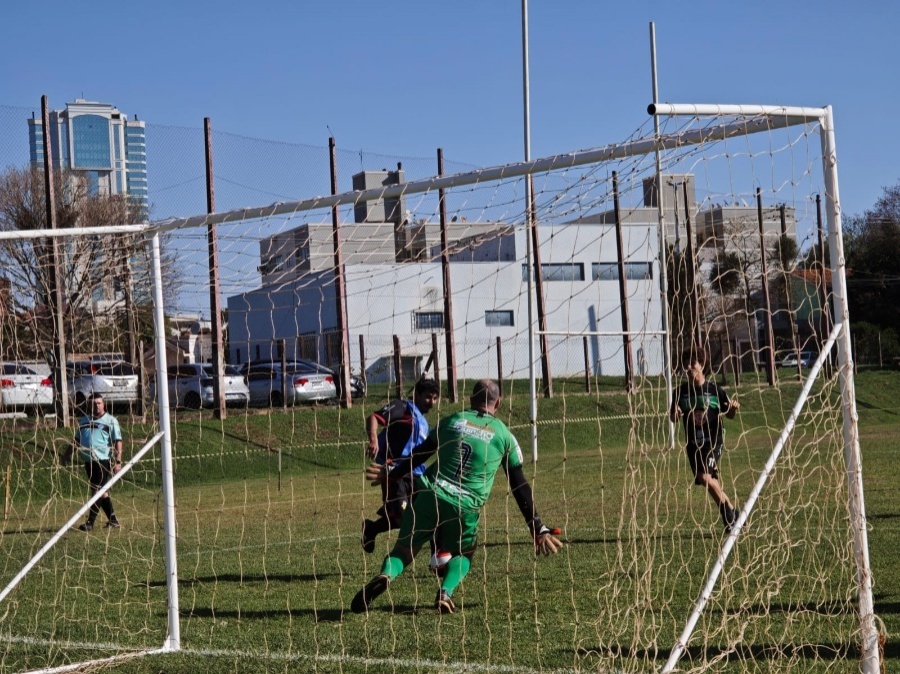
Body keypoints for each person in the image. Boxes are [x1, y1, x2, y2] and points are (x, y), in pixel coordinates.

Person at [351, 379, 563, 614]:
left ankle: (386, 574)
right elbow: (519, 484)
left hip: (430, 494)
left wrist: (392, 472)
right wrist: (537, 527)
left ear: (471, 400)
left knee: (403, 551)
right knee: (463, 553)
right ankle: (445, 592)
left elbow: (420, 454)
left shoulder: (453, 420)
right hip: (465, 505)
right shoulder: (504, 435)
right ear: (499, 403)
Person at [361, 378, 441, 553]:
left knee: (428, 514)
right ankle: (373, 528)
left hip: (417, 475)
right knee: (402, 519)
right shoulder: (404, 408)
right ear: (417, 394)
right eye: (428, 397)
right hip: (395, 472)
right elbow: (374, 417)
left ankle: (438, 555)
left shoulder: (425, 424)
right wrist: (373, 440)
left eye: (435, 398)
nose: (432, 403)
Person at [669, 345, 741, 533]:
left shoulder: (714, 390)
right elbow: (672, 417)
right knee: (707, 482)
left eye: (693, 362)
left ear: (702, 364)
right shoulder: (679, 392)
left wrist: (732, 409)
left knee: (704, 477)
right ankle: (734, 513)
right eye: (686, 363)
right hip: (693, 445)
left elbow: (729, 414)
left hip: (713, 440)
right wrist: (675, 414)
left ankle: (730, 519)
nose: (689, 367)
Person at [61, 393, 124, 531]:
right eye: (94, 403)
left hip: (102, 461)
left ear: (103, 404)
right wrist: (67, 455)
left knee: (97, 490)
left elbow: (117, 441)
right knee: (102, 492)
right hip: (88, 462)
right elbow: (76, 440)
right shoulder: (84, 420)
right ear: (90, 405)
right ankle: (113, 520)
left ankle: (90, 522)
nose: (96, 405)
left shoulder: (111, 421)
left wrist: (118, 461)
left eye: (99, 403)